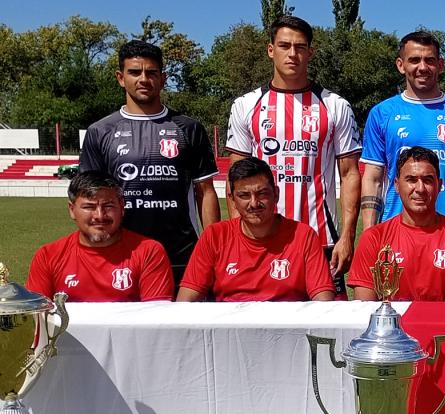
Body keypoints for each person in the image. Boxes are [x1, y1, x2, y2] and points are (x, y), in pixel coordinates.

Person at [225, 15, 362, 291]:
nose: (292, 54)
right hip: (263, 240)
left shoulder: (335, 106)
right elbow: (234, 179)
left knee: (326, 330)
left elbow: (349, 175)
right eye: (285, 45)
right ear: (270, 50)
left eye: (300, 47)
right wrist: (240, 237)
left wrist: (347, 236)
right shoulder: (246, 105)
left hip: (321, 240)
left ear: (310, 52)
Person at [80, 40, 219, 283]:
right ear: (120, 77)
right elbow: (89, 200)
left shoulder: (189, 128)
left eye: (151, 72)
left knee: (183, 322)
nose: (143, 79)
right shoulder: (100, 131)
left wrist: (212, 250)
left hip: (182, 255)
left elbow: (205, 192)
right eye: (135, 72)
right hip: (120, 255)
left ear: (163, 78)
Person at [359, 31, 445, 231]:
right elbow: (373, 178)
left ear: (440, 65)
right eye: (414, 60)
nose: (422, 67)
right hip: (395, 232)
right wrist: (369, 233)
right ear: (401, 65)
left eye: (429, 60)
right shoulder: (382, 113)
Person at [177, 158, 333, 302]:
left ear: (276, 194)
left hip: (287, 330)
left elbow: (324, 303)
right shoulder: (215, 236)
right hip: (231, 329)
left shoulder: (303, 236)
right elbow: (185, 302)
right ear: (232, 199)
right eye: (244, 195)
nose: (254, 203)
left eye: (262, 193)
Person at [347, 148, 445, 301]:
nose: (420, 189)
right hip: (393, 325)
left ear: (439, 185)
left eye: (427, 180)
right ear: (396, 185)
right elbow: (365, 311)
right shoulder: (374, 238)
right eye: (411, 180)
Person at [27, 171, 173, 302]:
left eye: (108, 206)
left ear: (122, 207)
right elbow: (36, 320)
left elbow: (155, 320)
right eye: (89, 207)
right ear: (72, 210)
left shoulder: (149, 252)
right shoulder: (47, 256)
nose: (99, 215)